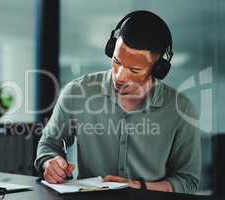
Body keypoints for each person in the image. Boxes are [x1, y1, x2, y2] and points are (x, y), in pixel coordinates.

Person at [34, 10, 201, 194]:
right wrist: (50, 163)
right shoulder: (77, 92)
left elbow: (188, 180)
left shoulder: (181, 109)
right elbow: (48, 144)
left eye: (134, 70)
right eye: (116, 61)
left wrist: (140, 187)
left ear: (158, 68)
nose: (120, 77)